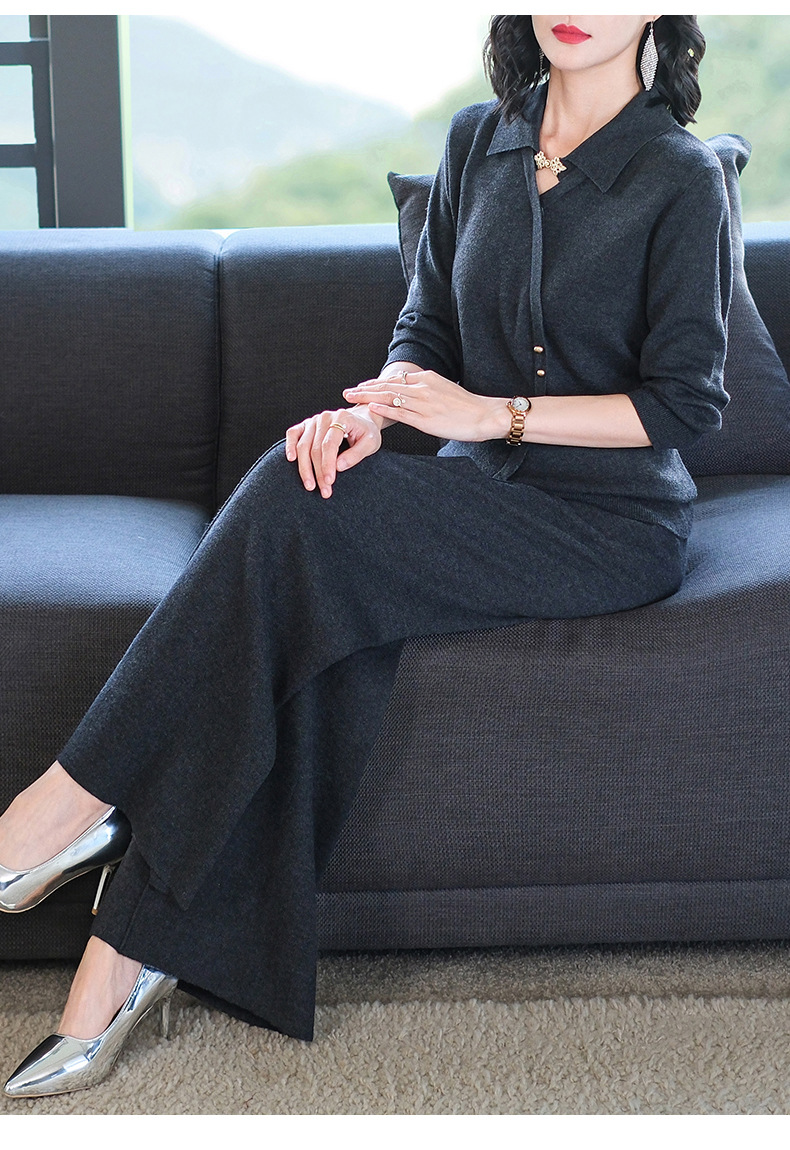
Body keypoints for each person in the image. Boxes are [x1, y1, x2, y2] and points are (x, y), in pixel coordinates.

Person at [0, 14, 731, 1097]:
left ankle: (64, 812)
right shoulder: (477, 141)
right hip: (478, 495)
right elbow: (424, 328)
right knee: (308, 504)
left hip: (609, 525)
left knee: (292, 522)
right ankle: (120, 955)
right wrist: (372, 417)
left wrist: (492, 416)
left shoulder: (679, 176)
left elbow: (685, 405)